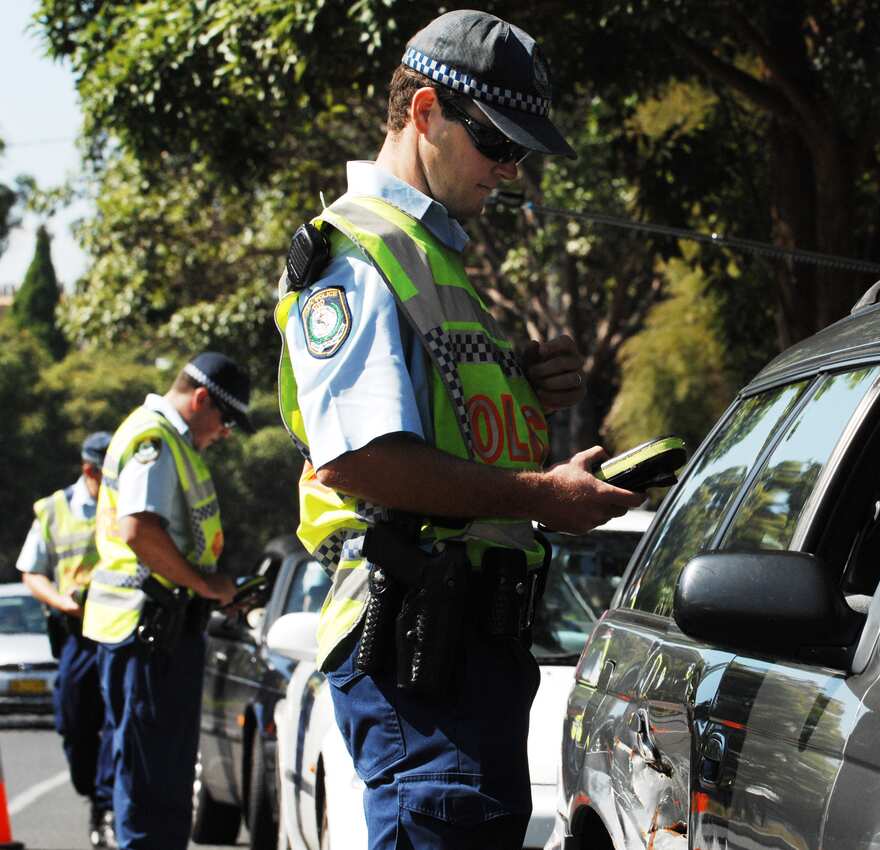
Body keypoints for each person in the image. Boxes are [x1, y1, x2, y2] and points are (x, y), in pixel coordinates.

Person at [273, 9, 646, 849]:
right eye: (497, 143)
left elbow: (440, 428)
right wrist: (545, 495)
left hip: (464, 644)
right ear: (426, 112)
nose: (510, 170)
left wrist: (525, 393)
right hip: (416, 642)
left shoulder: (429, 254)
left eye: (521, 152)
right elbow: (364, 459)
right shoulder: (356, 256)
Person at [80, 352, 250, 850]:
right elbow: (139, 530)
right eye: (226, 420)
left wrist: (215, 590)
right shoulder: (154, 438)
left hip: (158, 633)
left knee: (162, 781)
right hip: (148, 633)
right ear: (201, 399)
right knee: (152, 785)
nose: (225, 434)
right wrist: (205, 585)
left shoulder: (170, 440)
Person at [18, 431, 116, 848]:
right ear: (89, 470)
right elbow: (31, 571)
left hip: (118, 628)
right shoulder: (54, 510)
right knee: (74, 722)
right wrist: (63, 602)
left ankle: (106, 802)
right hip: (76, 632)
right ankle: (91, 789)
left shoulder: (128, 503)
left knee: (119, 717)